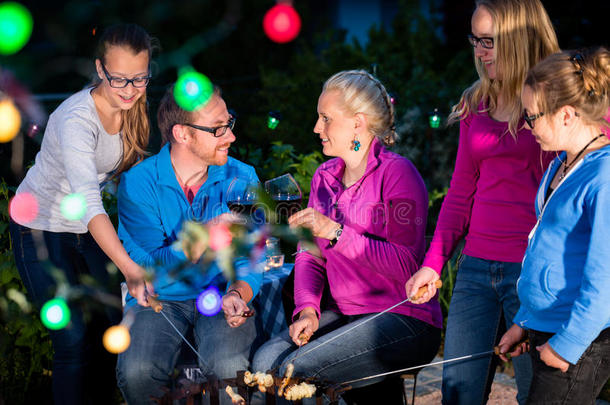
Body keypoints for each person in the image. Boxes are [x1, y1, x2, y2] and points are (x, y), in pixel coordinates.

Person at [251, 70, 442, 404]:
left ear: (357, 123)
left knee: (297, 370)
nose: (316, 128)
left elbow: (406, 267)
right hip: (346, 313)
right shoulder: (324, 177)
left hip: (403, 317)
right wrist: (307, 309)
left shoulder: (397, 174)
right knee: (265, 362)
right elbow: (310, 255)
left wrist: (335, 232)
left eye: (326, 119)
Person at [404, 1, 560, 404]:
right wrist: (431, 264)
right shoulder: (478, 104)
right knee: (457, 396)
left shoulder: (560, 102)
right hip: (475, 272)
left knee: (537, 397)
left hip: (534, 277)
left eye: (489, 41)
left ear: (521, 38)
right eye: (476, 40)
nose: (480, 51)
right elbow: (459, 193)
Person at [8, 24, 156, 405]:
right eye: (119, 79)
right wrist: (130, 268)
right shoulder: (76, 119)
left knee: (113, 328)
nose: (129, 90)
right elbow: (91, 201)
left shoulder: (134, 107)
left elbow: (129, 183)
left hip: (85, 228)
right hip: (38, 228)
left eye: (139, 79)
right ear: (99, 69)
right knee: (72, 339)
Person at [116, 84, 262, 405]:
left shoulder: (242, 177)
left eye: (229, 123)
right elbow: (143, 268)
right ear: (182, 134)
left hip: (222, 291)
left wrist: (239, 293)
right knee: (138, 371)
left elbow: (252, 258)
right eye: (218, 129)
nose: (231, 137)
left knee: (229, 371)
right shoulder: (138, 183)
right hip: (160, 299)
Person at [497, 47, 610, 404]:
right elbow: (549, 252)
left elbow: (605, 276)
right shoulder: (558, 166)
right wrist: (524, 321)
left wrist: (568, 344)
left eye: (532, 117)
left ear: (565, 115)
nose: (527, 127)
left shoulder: (604, 176)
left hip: (582, 339)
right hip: (548, 328)